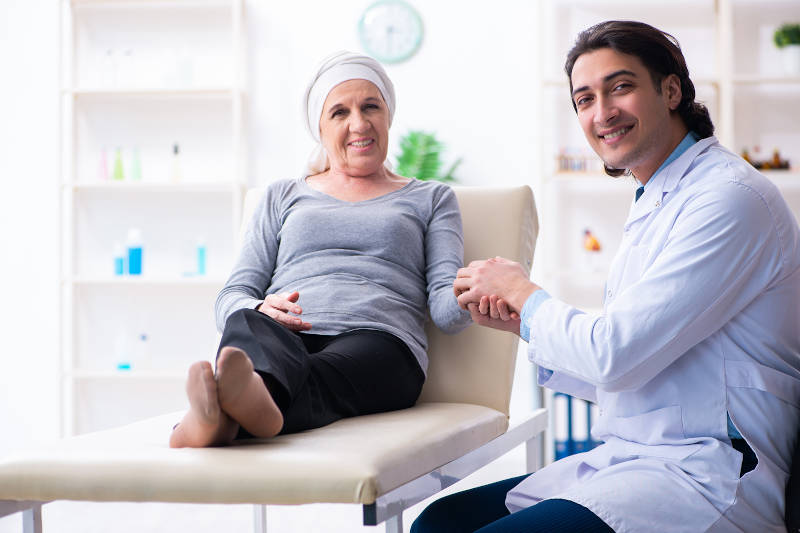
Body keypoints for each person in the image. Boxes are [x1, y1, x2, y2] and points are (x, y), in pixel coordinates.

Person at [414, 20, 800, 533]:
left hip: (711, 473)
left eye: (620, 87)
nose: (602, 113)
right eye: (584, 99)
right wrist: (521, 321)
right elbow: (638, 365)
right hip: (640, 458)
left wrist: (526, 296)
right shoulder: (658, 197)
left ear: (670, 90)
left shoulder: (727, 198)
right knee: (440, 522)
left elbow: (615, 353)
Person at [169, 51, 471, 448]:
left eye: (370, 107)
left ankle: (216, 420)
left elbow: (445, 313)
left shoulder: (431, 198)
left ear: (388, 115)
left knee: (317, 371)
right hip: (285, 336)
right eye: (339, 113)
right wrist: (260, 308)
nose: (358, 124)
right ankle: (248, 407)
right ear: (319, 128)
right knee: (248, 322)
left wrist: (471, 294)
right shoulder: (282, 195)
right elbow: (231, 297)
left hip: (379, 341)